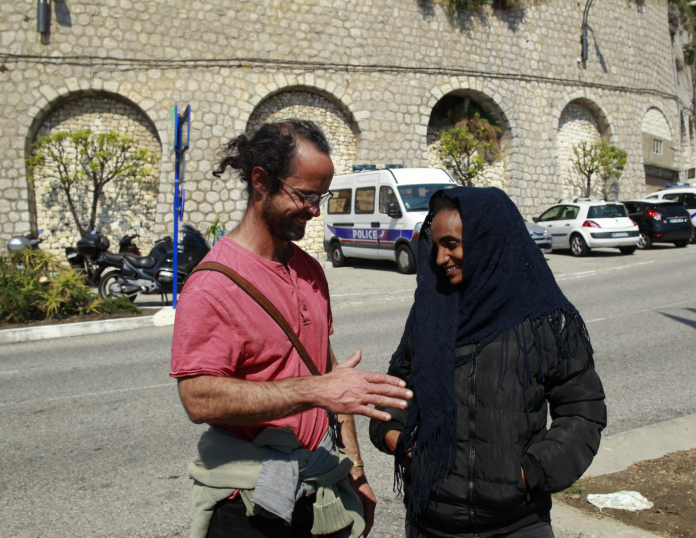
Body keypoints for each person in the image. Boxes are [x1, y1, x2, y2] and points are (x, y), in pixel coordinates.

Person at [170, 120, 412, 538]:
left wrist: (354, 469)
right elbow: (198, 398)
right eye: (304, 195)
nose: (315, 210)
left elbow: (328, 369)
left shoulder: (310, 269)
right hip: (247, 505)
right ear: (261, 181)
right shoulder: (212, 284)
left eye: (322, 196)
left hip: (320, 487)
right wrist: (316, 391)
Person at [369, 187, 607, 538]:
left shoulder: (543, 321)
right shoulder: (430, 314)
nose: (439, 258)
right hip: (430, 523)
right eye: (435, 246)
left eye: (451, 244)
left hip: (518, 524)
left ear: (487, 240)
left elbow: (582, 412)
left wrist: (530, 472)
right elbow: (396, 395)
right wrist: (396, 440)